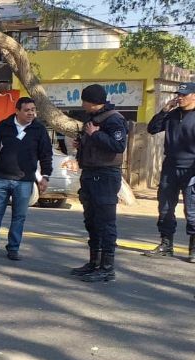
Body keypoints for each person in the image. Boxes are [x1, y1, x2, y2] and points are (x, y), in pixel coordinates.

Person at [0, 97, 53, 261]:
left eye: (33, 110)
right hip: (1, 178)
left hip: (25, 181)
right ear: (17, 111)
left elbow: (46, 154)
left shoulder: (39, 129)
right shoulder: (4, 126)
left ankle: (13, 248)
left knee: (19, 216)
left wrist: (45, 176)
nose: (31, 113)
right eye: (27, 110)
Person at [70, 84, 129, 282]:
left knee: (105, 223)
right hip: (90, 174)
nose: (82, 104)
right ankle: (93, 262)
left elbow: (118, 145)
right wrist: (82, 144)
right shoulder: (92, 118)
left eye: (84, 100)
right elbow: (94, 145)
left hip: (105, 176)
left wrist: (96, 135)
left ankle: (107, 268)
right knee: (92, 221)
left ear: (93, 101)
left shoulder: (114, 119)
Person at [144, 82, 195, 262]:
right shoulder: (172, 114)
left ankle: (193, 249)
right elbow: (152, 129)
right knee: (165, 208)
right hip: (170, 167)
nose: (179, 97)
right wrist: (164, 110)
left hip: (191, 169)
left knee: (192, 210)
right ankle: (166, 245)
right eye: (178, 94)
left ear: (194, 96)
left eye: (184, 94)